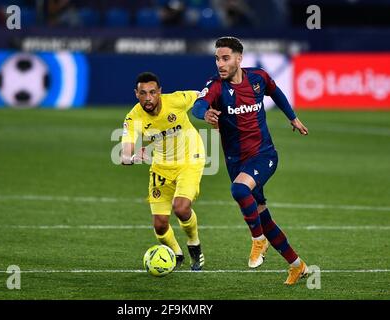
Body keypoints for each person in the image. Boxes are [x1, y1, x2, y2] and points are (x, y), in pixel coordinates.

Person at [192, 36, 309, 285]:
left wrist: (292, 117)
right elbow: (198, 105)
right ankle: (297, 265)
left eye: (225, 58)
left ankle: (258, 240)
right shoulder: (216, 86)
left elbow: (276, 93)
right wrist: (207, 114)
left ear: (238, 59)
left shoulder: (258, 78)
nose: (220, 64)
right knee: (263, 217)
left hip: (264, 155)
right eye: (217, 59)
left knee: (239, 189)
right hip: (236, 162)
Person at [121, 72, 206, 271]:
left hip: (190, 159)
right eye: (143, 93)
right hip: (161, 166)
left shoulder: (176, 100)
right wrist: (133, 158)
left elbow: (203, 95)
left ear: (160, 92)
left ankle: (194, 244)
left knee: (181, 207)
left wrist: (211, 112)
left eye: (152, 92)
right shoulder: (133, 118)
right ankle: (176, 254)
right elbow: (124, 154)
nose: (148, 98)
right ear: (136, 94)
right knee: (160, 225)